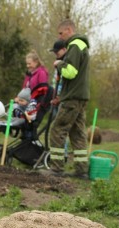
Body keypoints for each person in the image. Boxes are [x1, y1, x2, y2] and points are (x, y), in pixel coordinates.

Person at [44, 19, 90, 179]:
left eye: (61, 33)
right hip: (80, 97)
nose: (60, 36)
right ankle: (81, 171)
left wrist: (59, 64)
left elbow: (70, 73)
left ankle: (56, 169)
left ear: (69, 30)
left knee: (57, 130)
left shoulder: (75, 46)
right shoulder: (81, 46)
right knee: (78, 134)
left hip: (72, 99)